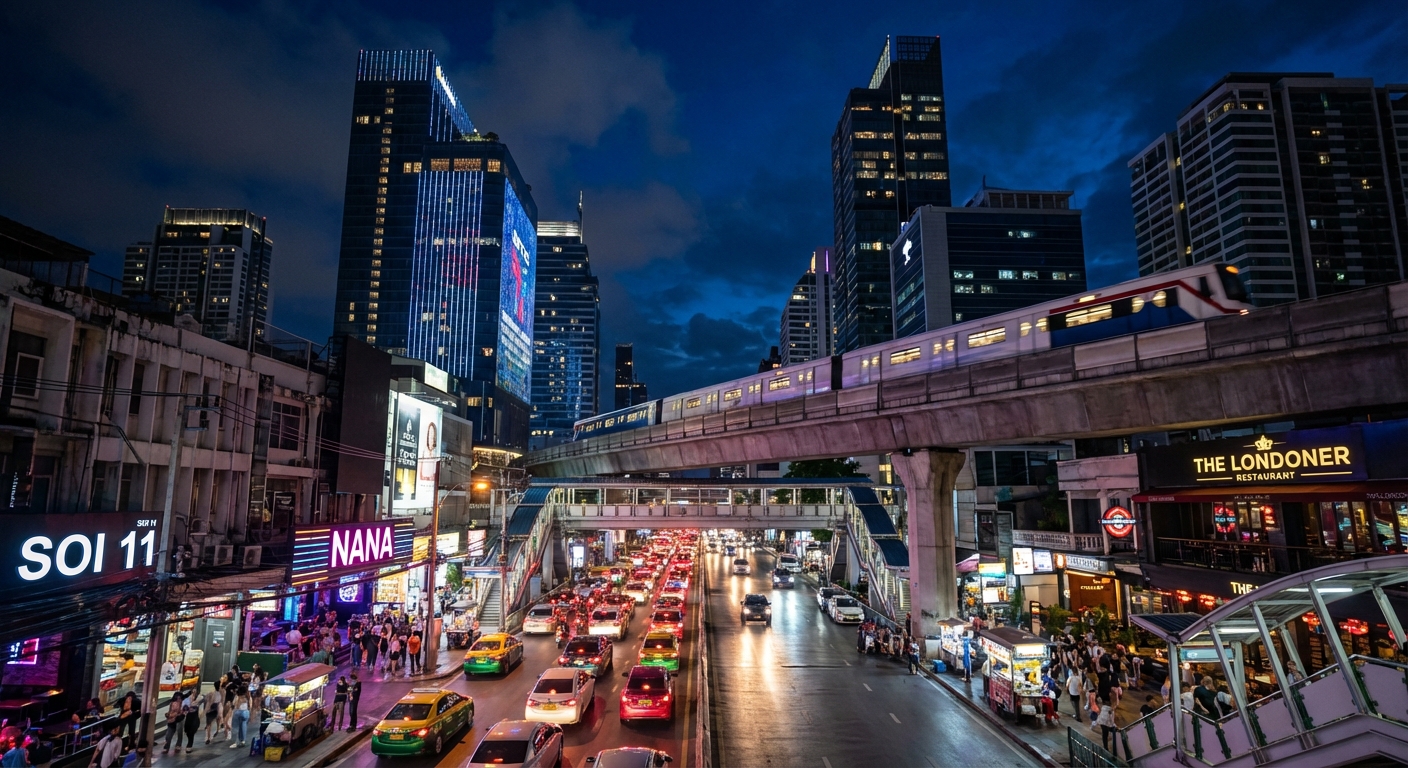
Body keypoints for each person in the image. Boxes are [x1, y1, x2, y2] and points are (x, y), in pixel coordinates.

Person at [202, 680, 223, 744]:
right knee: (216, 720)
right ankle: (217, 730)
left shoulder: (211, 693)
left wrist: (206, 710)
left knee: (209, 724)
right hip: (216, 709)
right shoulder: (221, 694)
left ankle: (208, 737)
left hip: (210, 709)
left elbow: (206, 700)